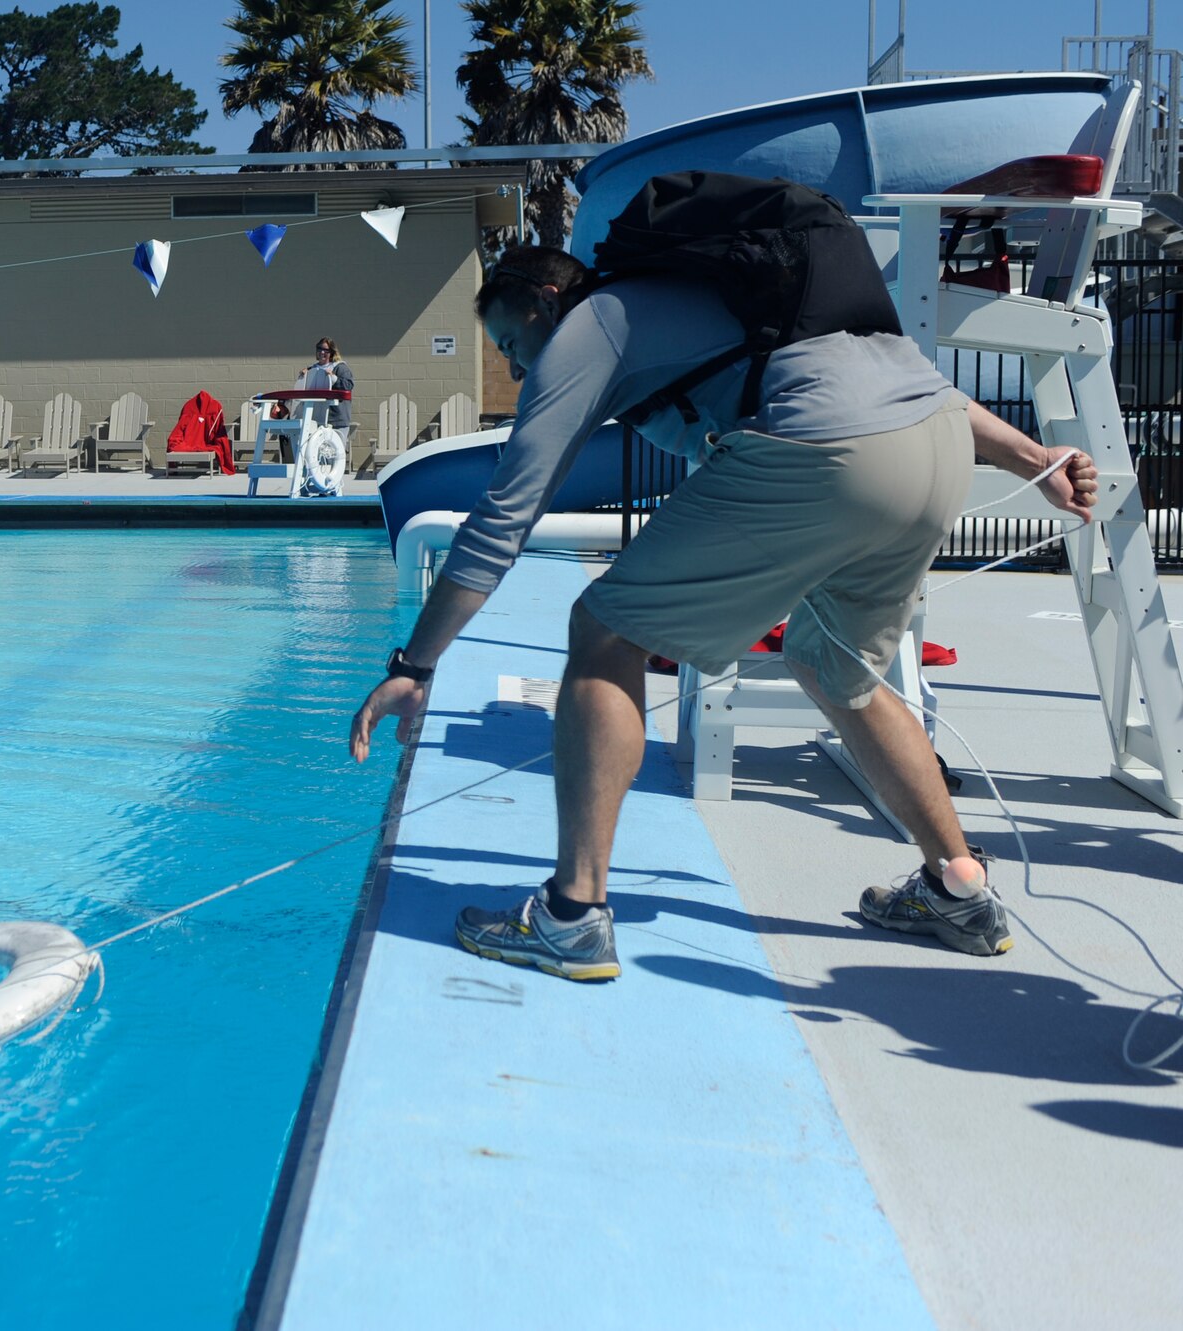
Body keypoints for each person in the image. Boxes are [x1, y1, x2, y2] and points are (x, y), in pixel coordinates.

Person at [349, 243, 1098, 982]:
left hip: (829, 449)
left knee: (605, 630)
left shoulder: (592, 324)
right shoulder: (749, 304)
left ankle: (572, 917)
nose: (517, 369)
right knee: (839, 670)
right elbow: (926, 394)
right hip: (937, 450)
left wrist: (414, 666)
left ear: (547, 299)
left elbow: (501, 518)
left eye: (514, 343)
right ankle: (961, 890)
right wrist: (1036, 461)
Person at [297, 337, 354, 434]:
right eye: (319, 349)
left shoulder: (340, 367)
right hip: (315, 421)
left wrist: (334, 378)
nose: (322, 352)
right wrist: (304, 377)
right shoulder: (312, 370)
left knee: (336, 449)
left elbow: (349, 385)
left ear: (332, 352)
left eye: (326, 350)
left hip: (336, 421)